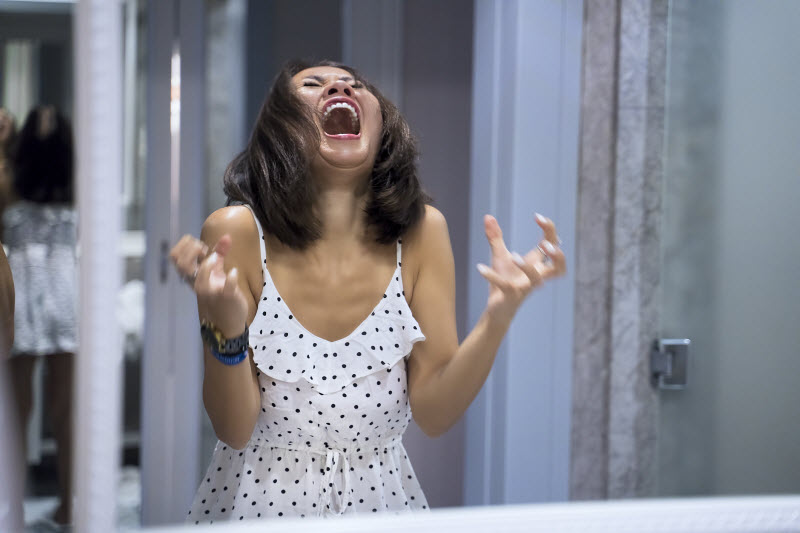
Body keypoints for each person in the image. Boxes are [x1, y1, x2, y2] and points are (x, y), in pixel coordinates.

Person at [170, 59, 566, 523]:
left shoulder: (422, 232)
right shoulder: (234, 232)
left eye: (354, 84)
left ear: (383, 127)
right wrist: (227, 328)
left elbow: (435, 414)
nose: (339, 86)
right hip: (258, 507)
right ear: (280, 129)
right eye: (313, 85)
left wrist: (498, 317)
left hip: (381, 505)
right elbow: (233, 429)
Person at [2, 105, 77, 528]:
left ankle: (67, 503)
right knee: (16, 412)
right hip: (27, 297)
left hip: (62, 299)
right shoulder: (6, 181)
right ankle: (12, 504)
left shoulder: (77, 183)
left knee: (63, 411)